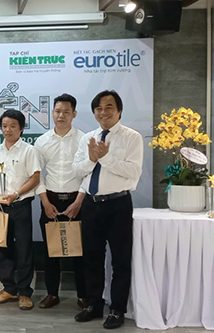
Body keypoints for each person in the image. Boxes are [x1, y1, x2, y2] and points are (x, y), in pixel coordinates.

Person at [72, 90, 143, 330]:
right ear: (94, 112)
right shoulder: (88, 138)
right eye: (99, 108)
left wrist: (105, 158)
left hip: (118, 204)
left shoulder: (132, 137)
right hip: (91, 204)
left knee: (121, 260)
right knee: (91, 258)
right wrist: (92, 159)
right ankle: (94, 304)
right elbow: (77, 170)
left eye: (109, 107)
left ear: (119, 110)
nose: (104, 112)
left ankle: (117, 309)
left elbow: (133, 172)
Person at [34, 94, 87, 309]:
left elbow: (88, 174)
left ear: (74, 114)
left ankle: (83, 295)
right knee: (51, 251)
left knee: (79, 252)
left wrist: (79, 202)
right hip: (51, 201)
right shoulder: (42, 141)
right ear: (52, 113)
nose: (61, 115)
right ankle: (52, 293)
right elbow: (37, 175)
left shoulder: (84, 139)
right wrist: (45, 202)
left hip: (78, 201)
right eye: (57, 111)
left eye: (66, 111)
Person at [0, 109, 40, 310]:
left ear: (21, 128)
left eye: (12, 126)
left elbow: (35, 178)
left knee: (24, 249)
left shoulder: (29, 150)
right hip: (0, 207)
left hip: (20, 206)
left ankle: (25, 292)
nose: (7, 130)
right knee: (1, 248)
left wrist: (16, 194)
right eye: (4, 126)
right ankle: (8, 288)